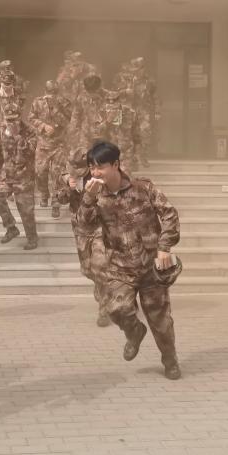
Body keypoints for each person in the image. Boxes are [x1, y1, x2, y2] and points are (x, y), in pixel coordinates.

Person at [77, 140, 183, 380]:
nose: (95, 173)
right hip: (120, 267)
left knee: (161, 321)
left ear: (115, 165)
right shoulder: (95, 196)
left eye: (100, 167)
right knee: (116, 309)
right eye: (91, 167)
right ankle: (134, 332)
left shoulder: (142, 188)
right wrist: (88, 199)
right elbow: (84, 225)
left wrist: (164, 247)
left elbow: (169, 214)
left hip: (151, 267)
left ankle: (170, 360)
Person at [55, 148, 111, 327]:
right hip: (80, 228)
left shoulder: (99, 176)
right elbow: (60, 199)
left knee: (100, 266)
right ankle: (102, 287)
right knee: (87, 269)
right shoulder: (67, 176)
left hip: (99, 226)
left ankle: (104, 309)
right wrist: (67, 189)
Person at [0, 105, 39, 250]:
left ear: (20, 117)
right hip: (6, 174)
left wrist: (18, 136)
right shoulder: (1, 130)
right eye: (8, 120)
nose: (11, 123)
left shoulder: (30, 131)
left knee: (26, 210)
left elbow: (31, 151)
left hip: (24, 176)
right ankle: (11, 227)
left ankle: (32, 238)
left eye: (14, 119)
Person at [29, 80, 72, 218]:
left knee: (57, 174)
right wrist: (43, 126)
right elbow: (31, 118)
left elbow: (70, 121)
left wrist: (56, 110)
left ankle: (56, 203)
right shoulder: (37, 102)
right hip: (43, 143)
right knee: (40, 172)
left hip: (59, 144)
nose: (51, 94)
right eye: (49, 92)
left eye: (54, 92)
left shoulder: (64, 103)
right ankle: (44, 193)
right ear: (45, 91)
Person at [67, 73, 108, 161]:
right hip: (86, 135)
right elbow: (75, 117)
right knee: (86, 161)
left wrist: (106, 123)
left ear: (99, 88)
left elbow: (117, 119)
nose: (91, 94)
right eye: (89, 92)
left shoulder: (109, 97)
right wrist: (73, 137)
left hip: (105, 136)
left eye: (93, 91)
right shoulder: (81, 98)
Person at [102, 89, 141, 173]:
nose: (111, 102)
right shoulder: (101, 113)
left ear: (120, 100)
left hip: (126, 151)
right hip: (107, 152)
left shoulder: (130, 113)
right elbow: (95, 133)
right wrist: (107, 121)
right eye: (108, 100)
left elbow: (136, 135)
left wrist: (137, 153)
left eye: (114, 100)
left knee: (125, 176)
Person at [0, 59, 26, 137]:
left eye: (9, 68)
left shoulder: (19, 80)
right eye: (5, 68)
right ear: (1, 70)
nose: (7, 70)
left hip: (14, 119)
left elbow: (22, 104)